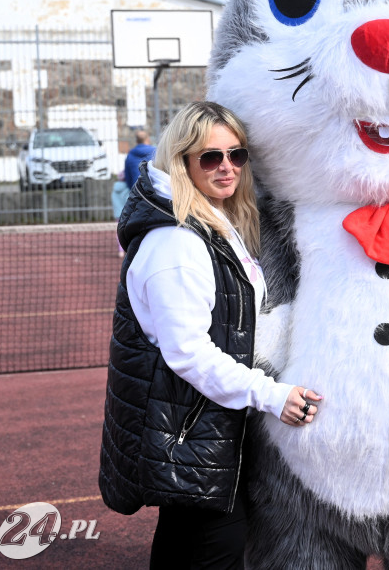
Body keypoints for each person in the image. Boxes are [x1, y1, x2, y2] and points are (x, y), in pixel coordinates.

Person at [99, 101, 322, 569]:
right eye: (210, 157)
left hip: (203, 428)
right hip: (194, 431)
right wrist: (271, 394)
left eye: (236, 155)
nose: (227, 167)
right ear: (181, 161)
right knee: (213, 549)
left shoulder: (213, 223)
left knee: (185, 546)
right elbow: (189, 353)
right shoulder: (178, 242)